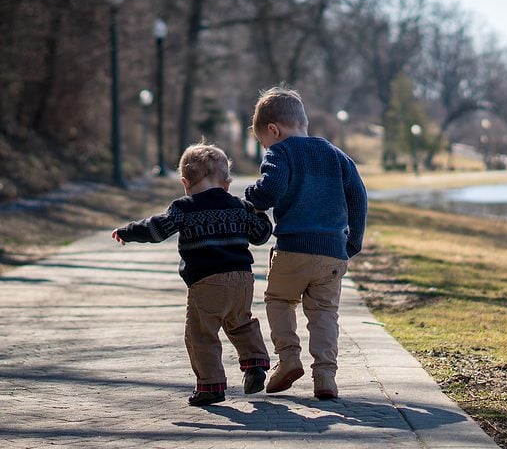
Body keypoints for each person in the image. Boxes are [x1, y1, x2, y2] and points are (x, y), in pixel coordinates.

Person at [112, 142, 272, 406]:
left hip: (206, 281)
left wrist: (129, 231)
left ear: (185, 182)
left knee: (201, 334)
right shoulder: (238, 206)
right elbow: (260, 235)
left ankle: (211, 385)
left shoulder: (184, 208)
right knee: (241, 323)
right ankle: (255, 364)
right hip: (242, 280)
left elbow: (156, 230)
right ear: (226, 182)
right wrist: (260, 212)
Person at [245, 86, 367, 400]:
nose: (266, 147)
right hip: (332, 253)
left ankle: (288, 359)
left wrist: (251, 197)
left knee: (279, 300)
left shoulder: (280, 151)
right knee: (325, 312)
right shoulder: (336, 155)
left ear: (274, 130)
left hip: (293, 249)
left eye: (263, 142)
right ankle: (325, 377)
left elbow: (269, 190)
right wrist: (353, 241)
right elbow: (359, 197)